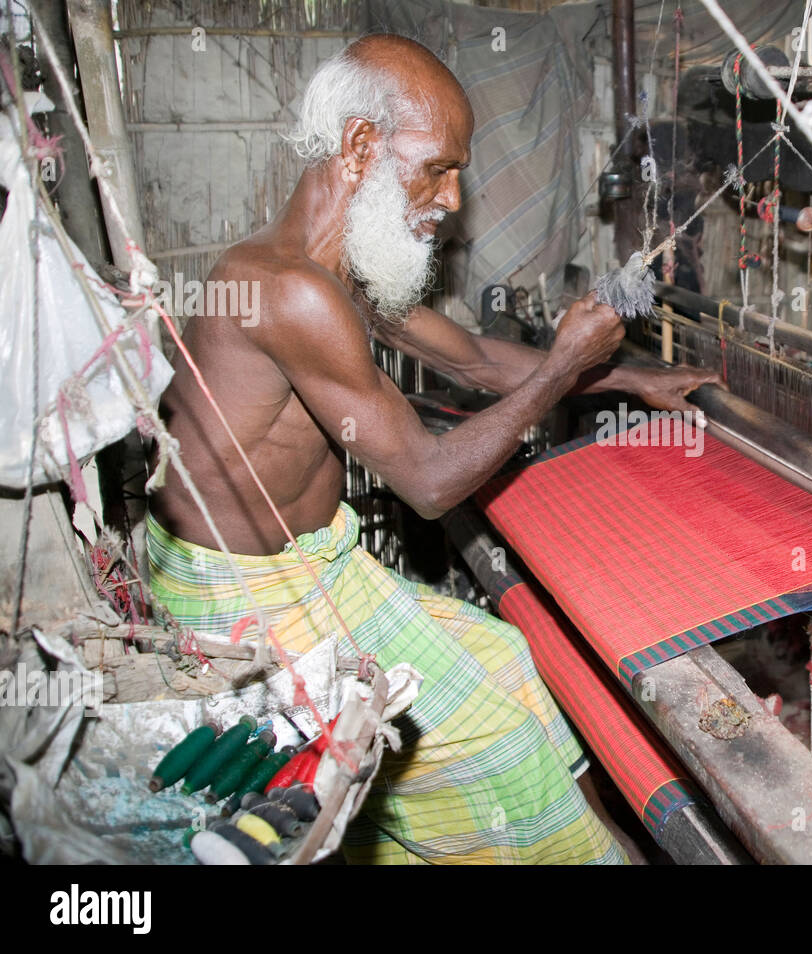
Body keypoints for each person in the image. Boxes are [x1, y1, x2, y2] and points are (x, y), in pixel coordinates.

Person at [146, 33, 718, 864]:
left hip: (319, 562)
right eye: (436, 168)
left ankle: (573, 840)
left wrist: (626, 379)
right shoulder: (288, 292)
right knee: (500, 748)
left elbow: (477, 359)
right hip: (248, 601)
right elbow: (427, 481)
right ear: (358, 146)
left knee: (509, 656)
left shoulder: (336, 272)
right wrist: (564, 363)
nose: (451, 198)